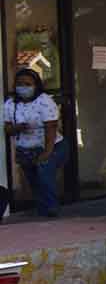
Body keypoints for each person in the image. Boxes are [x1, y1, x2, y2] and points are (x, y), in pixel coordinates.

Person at [5, 68, 64, 218]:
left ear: (36, 85)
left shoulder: (44, 101)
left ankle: (51, 209)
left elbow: (51, 128)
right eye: (19, 84)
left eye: (27, 84)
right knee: (33, 179)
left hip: (52, 145)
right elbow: (7, 128)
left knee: (44, 171)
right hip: (26, 148)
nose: (23, 87)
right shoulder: (11, 104)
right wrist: (17, 127)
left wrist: (46, 153)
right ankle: (42, 209)